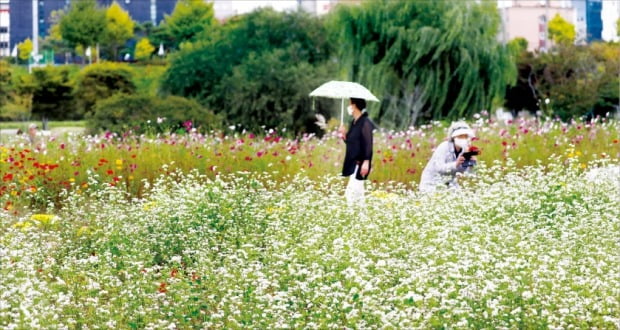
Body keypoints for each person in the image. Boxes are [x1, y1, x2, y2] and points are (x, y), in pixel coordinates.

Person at [419, 121, 476, 193]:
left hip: (450, 185)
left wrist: (471, 164)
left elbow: (464, 174)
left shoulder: (465, 150)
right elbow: (439, 168)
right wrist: (456, 164)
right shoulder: (444, 147)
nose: (463, 139)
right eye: (460, 136)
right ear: (453, 137)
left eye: (465, 136)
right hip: (432, 184)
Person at [338, 97, 375, 205]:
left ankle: (355, 217)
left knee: (351, 194)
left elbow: (368, 144)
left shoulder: (365, 122)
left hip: (360, 164)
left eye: (349, 104)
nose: (348, 107)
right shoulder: (354, 123)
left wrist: (366, 162)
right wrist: (344, 134)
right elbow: (351, 143)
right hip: (353, 164)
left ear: (354, 106)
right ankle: (360, 218)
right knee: (358, 196)